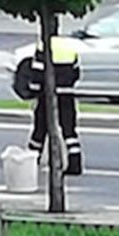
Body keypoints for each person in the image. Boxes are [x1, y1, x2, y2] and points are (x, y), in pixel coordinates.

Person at [14, 37, 83, 176]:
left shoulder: (44, 46)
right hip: (66, 94)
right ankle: (75, 163)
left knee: (40, 130)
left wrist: (33, 91)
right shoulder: (68, 47)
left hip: (46, 96)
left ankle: (32, 160)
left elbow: (37, 73)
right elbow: (76, 72)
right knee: (69, 131)